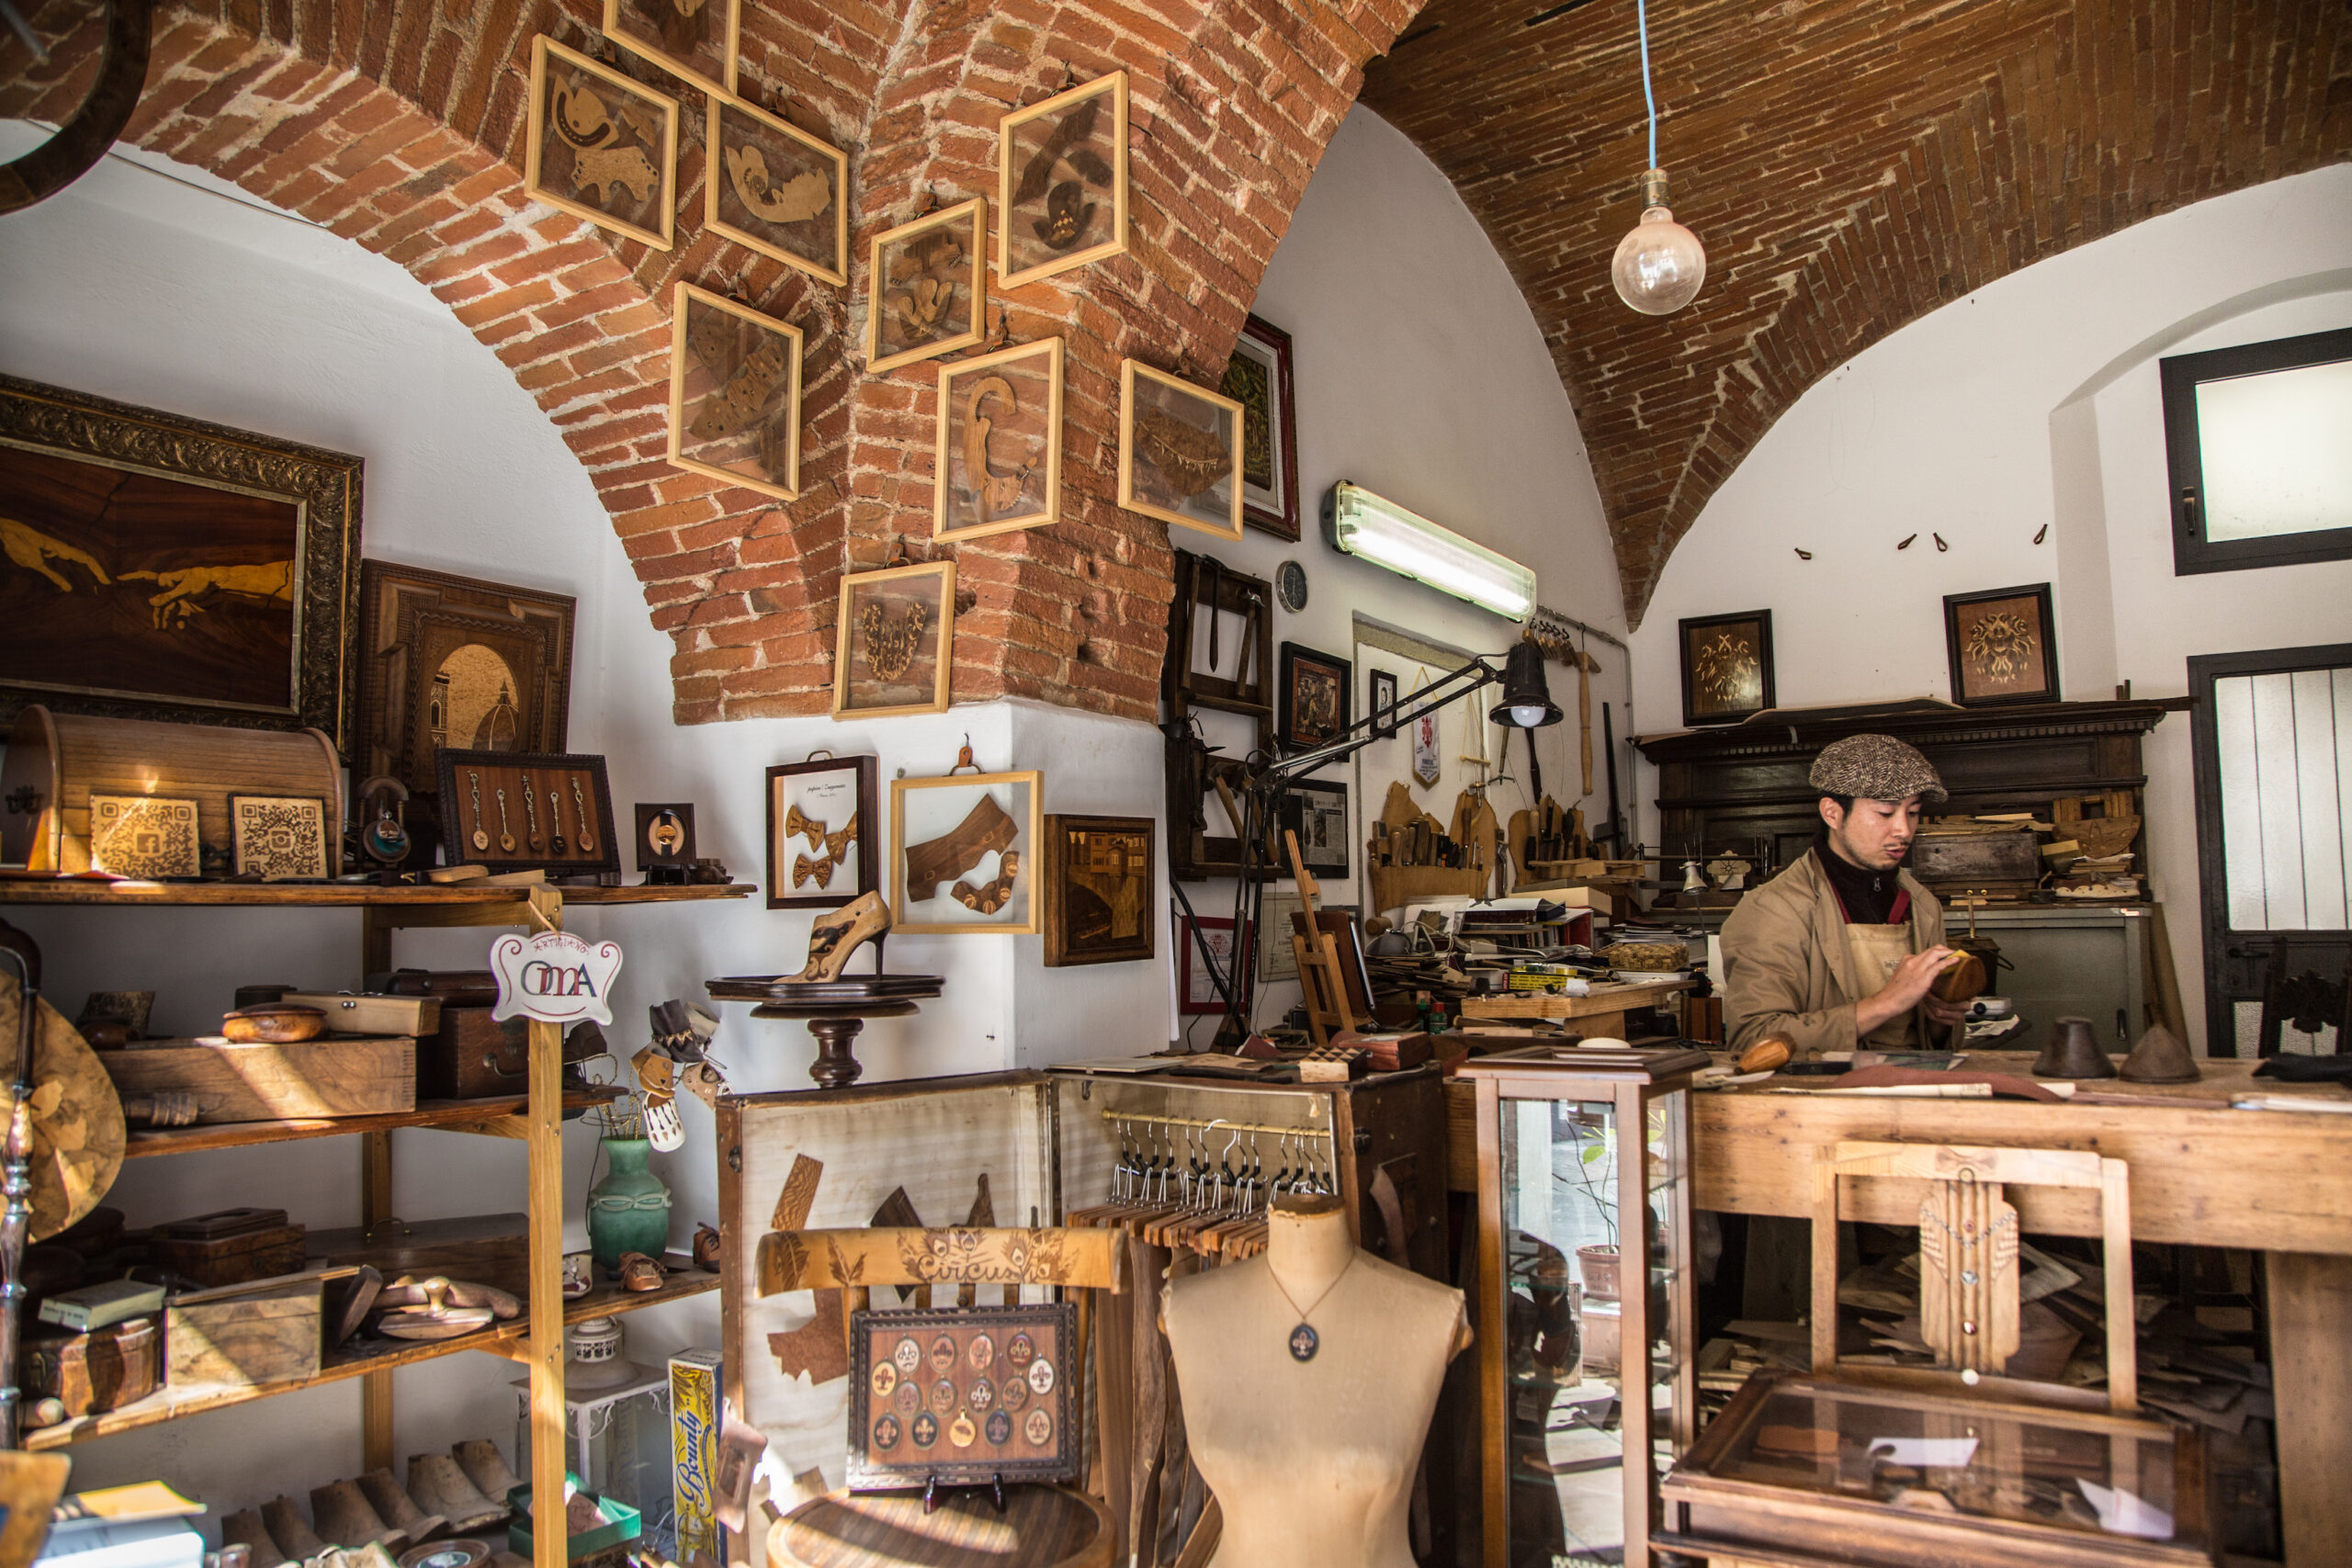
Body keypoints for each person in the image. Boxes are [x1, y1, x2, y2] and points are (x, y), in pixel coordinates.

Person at [1720, 733, 1969, 1055]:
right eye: (1885, 813)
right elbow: (1752, 1040)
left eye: (1912, 812)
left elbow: (1930, 1044)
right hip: (1820, 1099)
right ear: (1832, 813)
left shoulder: (1923, 905)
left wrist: (1939, 1021)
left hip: (1911, 1093)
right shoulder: (1772, 910)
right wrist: (1885, 1004)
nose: (1904, 831)